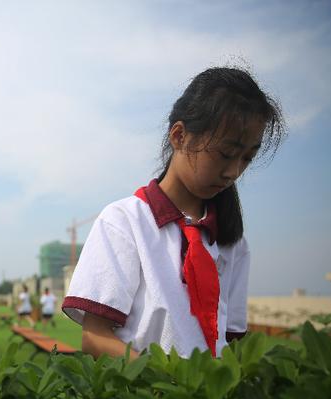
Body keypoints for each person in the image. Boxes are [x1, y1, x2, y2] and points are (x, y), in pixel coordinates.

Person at [62, 67, 284, 359]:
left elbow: (231, 344)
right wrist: (172, 385)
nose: (233, 172)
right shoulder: (125, 222)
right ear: (179, 136)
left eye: (247, 158)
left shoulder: (232, 242)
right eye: (226, 154)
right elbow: (95, 338)